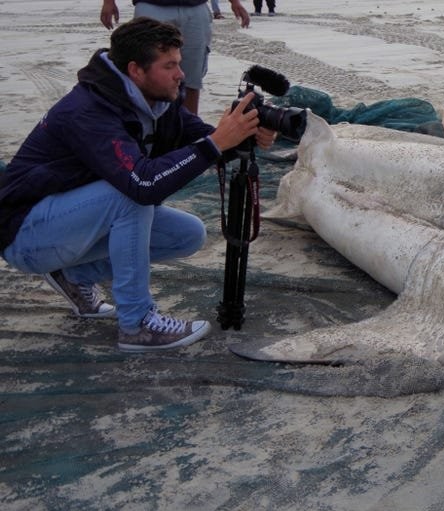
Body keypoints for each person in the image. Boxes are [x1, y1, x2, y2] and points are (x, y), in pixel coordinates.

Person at [0, 17, 274, 351]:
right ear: (135, 70)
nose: (181, 74)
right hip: (24, 234)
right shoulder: (88, 110)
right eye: (169, 65)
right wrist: (215, 143)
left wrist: (241, 136)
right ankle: (137, 324)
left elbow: (199, 139)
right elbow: (143, 184)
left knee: (186, 235)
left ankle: (73, 276)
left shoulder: (158, 100)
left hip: (68, 224)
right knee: (132, 195)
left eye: (179, 63)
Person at [101, 0, 253, 116]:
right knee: (146, 76)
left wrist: (234, 2)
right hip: (152, 6)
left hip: (195, 8)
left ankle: (188, 136)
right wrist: (108, 1)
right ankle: (147, 134)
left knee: (192, 80)